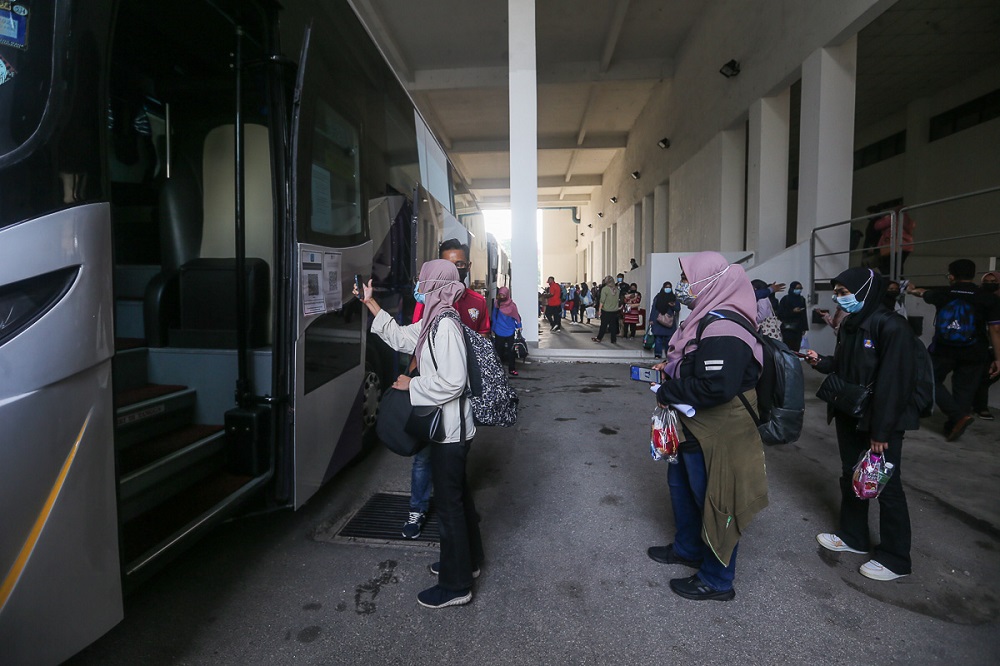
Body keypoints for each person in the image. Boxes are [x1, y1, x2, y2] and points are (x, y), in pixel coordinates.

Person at [357, 260, 483, 608]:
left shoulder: (445, 326)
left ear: (436, 285)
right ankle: (467, 563)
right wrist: (370, 302)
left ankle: (456, 586)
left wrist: (412, 384)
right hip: (448, 428)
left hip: (451, 432)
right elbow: (399, 337)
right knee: (458, 499)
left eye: (423, 280)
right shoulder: (432, 321)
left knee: (448, 505)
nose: (418, 285)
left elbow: (454, 382)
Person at [647, 251, 767, 602]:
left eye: (688, 279)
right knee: (682, 486)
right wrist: (671, 368)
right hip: (694, 425)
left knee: (715, 498)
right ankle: (687, 548)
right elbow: (696, 364)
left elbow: (717, 386)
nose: (683, 286)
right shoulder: (704, 318)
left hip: (718, 429)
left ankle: (717, 579)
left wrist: (669, 388)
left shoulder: (725, 327)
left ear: (710, 281)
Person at [804, 267, 918, 582]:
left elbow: (894, 384)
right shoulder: (853, 324)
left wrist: (881, 431)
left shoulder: (892, 327)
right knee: (851, 475)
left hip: (880, 421)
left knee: (886, 486)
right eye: (838, 292)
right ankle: (854, 537)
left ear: (866, 290)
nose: (840, 297)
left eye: (844, 291)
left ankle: (896, 558)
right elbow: (844, 366)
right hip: (849, 412)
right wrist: (821, 362)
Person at [404, 239, 490, 540]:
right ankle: (417, 509)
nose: (456, 269)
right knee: (424, 458)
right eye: (449, 264)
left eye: (461, 264)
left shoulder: (477, 303)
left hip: (459, 401)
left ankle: (455, 511)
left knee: (455, 460)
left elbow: (483, 344)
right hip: (431, 394)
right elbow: (416, 340)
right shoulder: (426, 302)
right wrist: (416, 380)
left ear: (467, 266)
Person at [908, 259, 1000, 441]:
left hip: (943, 350)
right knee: (964, 390)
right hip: (975, 351)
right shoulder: (988, 298)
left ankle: (956, 418)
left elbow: (923, 293)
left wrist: (911, 290)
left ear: (951, 276)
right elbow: (995, 329)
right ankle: (955, 422)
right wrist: (998, 358)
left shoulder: (943, 294)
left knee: (929, 378)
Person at [973, 271, 999, 420]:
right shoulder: (982, 300)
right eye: (987, 281)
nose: (990, 283)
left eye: (993, 281)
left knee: (985, 378)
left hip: (992, 345)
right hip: (983, 344)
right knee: (983, 377)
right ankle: (980, 407)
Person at [874, 208, 915, 277]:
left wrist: (886, 217)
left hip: (893, 245)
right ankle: (900, 284)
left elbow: (878, 225)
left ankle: (893, 284)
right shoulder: (907, 220)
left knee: (887, 267)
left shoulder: (892, 217)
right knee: (898, 267)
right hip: (906, 246)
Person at [492, 287, 522, 376]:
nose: (502, 296)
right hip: (499, 330)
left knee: (511, 351)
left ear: (507, 295)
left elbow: (517, 317)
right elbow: (494, 317)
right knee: (498, 351)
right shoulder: (497, 304)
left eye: (503, 295)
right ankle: (498, 370)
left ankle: (512, 369)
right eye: (500, 294)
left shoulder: (512, 306)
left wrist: (519, 327)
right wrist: (492, 329)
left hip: (510, 330)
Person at [650, 281, 681, 359]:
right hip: (658, 321)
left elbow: (678, 309)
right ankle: (658, 354)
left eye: (669, 287)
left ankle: (668, 354)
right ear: (663, 288)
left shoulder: (673, 298)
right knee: (658, 339)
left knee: (669, 339)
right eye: (666, 287)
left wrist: (673, 306)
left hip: (669, 322)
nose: (668, 289)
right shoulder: (658, 297)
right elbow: (654, 308)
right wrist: (651, 319)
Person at [777, 281, 809, 352]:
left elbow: (804, 315)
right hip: (787, 329)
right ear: (792, 288)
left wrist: (804, 328)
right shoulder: (785, 299)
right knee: (787, 348)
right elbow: (780, 314)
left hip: (798, 329)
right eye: (797, 288)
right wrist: (792, 312)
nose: (799, 290)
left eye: (800, 288)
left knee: (796, 349)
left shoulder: (802, 300)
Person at [593, 275, 621, 344]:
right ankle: (613, 340)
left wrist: (599, 310)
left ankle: (599, 338)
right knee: (613, 326)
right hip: (614, 311)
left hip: (606, 310)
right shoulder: (617, 289)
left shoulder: (605, 289)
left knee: (603, 325)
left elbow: (602, 301)